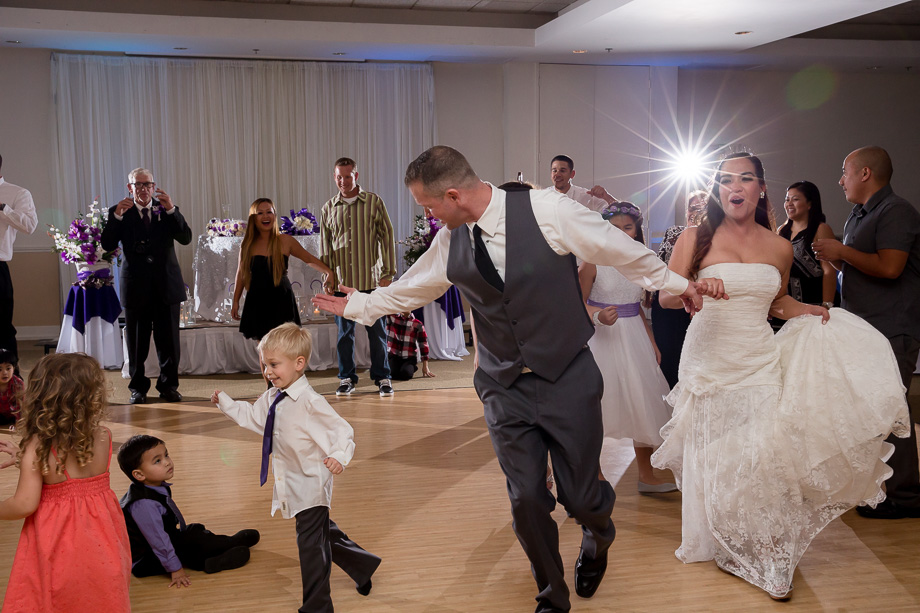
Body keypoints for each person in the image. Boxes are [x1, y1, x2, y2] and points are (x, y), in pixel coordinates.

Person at [313, 145, 705, 613]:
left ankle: (599, 534)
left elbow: (622, 250)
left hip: (567, 377)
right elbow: (411, 288)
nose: (428, 214)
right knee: (526, 500)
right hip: (503, 387)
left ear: (453, 195)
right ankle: (551, 597)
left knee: (582, 497)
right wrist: (358, 305)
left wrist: (683, 287)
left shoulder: (549, 210)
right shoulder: (449, 239)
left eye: (428, 205)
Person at [653, 152, 910, 600]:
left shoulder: (778, 246)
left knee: (765, 454)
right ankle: (722, 537)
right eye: (726, 180)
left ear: (760, 188)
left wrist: (809, 310)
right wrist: (693, 287)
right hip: (709, 358)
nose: (735, 187)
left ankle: (772, 553)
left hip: (758, 359)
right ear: (719, 190)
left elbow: (775, 304)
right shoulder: (694, 237)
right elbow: (666, 299)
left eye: (746, 178)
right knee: (716, 452)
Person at [212, 322, 381, 612]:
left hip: (311, 484)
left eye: (274, 365)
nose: (267, 372)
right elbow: (254, 417)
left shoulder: (310, 402)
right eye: (265, 364)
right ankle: (362, 565)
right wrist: (226, 404)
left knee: (311, 547)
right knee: (322, 534)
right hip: (291, 482)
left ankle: (317, 607)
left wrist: (339, 456)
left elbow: (341, 430)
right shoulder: (272, 397)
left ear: (299, 363)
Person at [813, 145, 920, 520]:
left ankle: (906, 496)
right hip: (868, 326)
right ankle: (882, 488)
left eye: (845, 171)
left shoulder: (896, 211)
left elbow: (890, 267)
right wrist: (837, 259)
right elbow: (861, 270)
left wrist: (841, 249)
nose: (840, 179)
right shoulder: (859, 215)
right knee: (875, 411)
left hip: (892, 326)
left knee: (892, 410)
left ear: (865, 174)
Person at [0, 353, 131, 612]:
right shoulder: (103, 436)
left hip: (58, 543)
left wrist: (26, 459)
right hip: (103, 542)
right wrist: (23, 460)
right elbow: (73, 476)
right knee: (99, 596)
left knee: (56, 598)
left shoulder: (38, 445)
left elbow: (25, 503)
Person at [579, 201, 676, 494]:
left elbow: (636, 307)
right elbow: (576, 302)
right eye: (614, 226)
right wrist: (596, 315)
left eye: (627, 227)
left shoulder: (640, 260)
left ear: (637, 231)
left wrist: (651, 342)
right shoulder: (592, 260)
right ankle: (593, 474)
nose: (621, 232)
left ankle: (646, 474)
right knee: (598, 406)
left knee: (642, 401)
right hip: (601, 337)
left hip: (634, 333)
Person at [116, 434, 261, 586]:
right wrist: (175, 569)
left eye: (166, 455)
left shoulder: (154, 486)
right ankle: (211, 560)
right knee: (189, 545)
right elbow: (158, 541)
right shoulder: (143, 504)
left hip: (157, 546)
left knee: (194, 531)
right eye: (157, 461)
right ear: (139, 474)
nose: (167, 462)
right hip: (145, 560)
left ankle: (226, 543)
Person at [101, 167, 193, 404]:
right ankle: (138, 388)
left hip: (166, 285)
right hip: (136, 287)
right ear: (129, 188)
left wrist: (172, 209)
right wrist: (117, 218)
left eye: (147, 184)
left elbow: (185, 238)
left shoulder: (167, 210)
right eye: (138, 185)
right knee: (136, 342)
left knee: (169, 342)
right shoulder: (120, 211)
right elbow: (107, 245)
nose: (143, 189)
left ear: (154, 187)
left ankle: (168, 386)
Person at [320, 157, 397, 397]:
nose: (343, 181)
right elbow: (326, 247)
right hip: (344, 284)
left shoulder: (374, 202)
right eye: (339, 177)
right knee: (345, 335)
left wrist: (389, 273)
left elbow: (387, 236)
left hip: (372, 283)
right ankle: (346, 378)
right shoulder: (327, 209)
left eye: (348, 175)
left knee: (378, 333)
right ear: (334, 177)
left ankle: (383, 377)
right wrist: (328, 277)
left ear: (356, 175)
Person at [231, 197, 333, 341]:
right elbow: (241, 273)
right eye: (260, 213)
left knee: (283, 346)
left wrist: (328, 272)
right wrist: (235, 301)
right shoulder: (247, 244)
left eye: (269, 212)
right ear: (253, 218)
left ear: (275, 215)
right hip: (257, 299)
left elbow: (309, 259)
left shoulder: (285, 241)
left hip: (281, 299)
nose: (266, 216)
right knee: (264, 347)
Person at [651, 190, 708, 387]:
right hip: (669, 300)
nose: (695, 212)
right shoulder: (674, 232)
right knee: (668, 353)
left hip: (698, 302)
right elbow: (659, 265)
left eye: (701, 208)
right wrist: (649, 293)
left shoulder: (715, 239)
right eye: (692, 208)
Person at [0, 155, 38, 367]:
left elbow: (30, 226)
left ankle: (11, 384)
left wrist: (3, 208)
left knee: (2, 327)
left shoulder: (18, 193)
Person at [776, 180, 837, 309]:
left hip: (815, 305)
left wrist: (826, 305)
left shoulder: (821, 229)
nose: (789, 204)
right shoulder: (781, 231)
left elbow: (829, 270)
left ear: (809, 204)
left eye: (795, 199)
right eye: (787, 200)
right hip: (786, 306)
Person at [545, 154, 618, 213]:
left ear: (572, 174)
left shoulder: (586, 197)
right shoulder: (543, 196)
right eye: (554, 171)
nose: (557, 175)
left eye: (562, 171)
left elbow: (622, 211)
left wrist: (607, 197)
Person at [386, 312, 435, 380]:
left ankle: (411, 367)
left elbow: (423, 344)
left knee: (406, 375)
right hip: (394, 356)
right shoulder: (392, 318)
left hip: (409, 358)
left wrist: (425, 366)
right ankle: (400, 368)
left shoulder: (418, 324)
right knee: (390, 374)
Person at [0, 348, 22, 428]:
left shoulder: (18, 384)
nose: (4, 373)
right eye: (0, 369)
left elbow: (20, 406)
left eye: (8, 368)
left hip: (12, 415)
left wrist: (18, 423)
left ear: (14, 368)